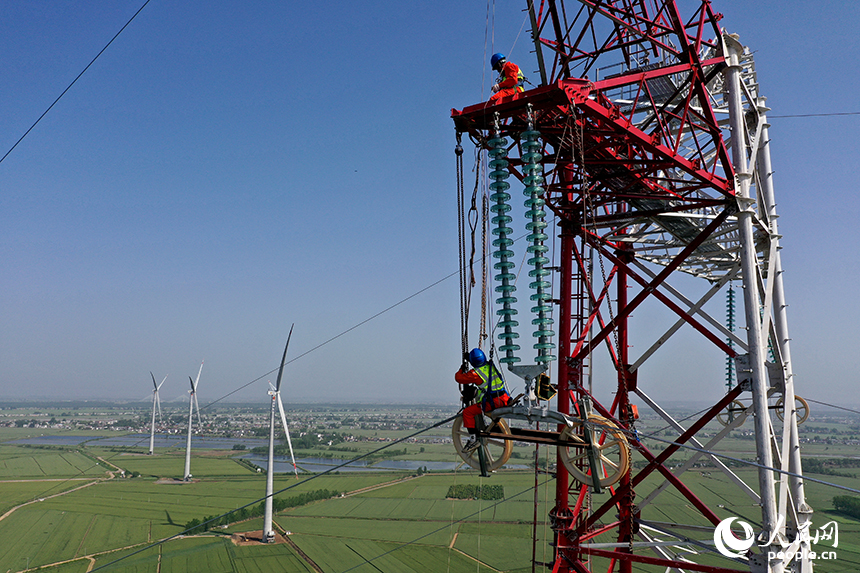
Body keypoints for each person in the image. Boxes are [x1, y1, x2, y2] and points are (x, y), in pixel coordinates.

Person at [455, 348, 511, 451]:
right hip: (504, 398)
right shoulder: (490, 366)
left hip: (493, 402)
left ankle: (473, 439)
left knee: (467, 412)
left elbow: (459, 378)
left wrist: (461, 369)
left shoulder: (475, 374)